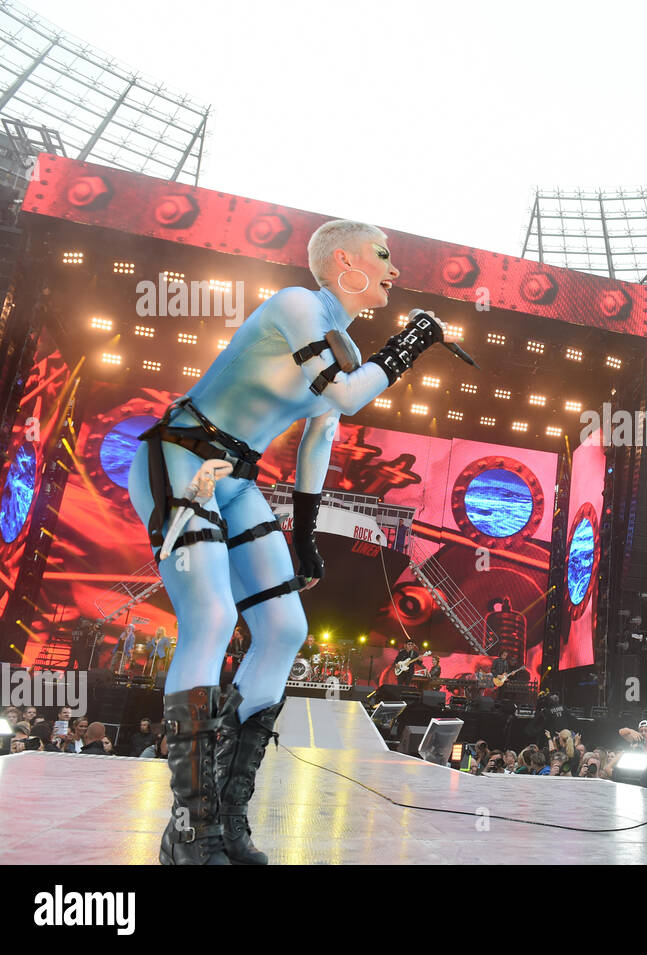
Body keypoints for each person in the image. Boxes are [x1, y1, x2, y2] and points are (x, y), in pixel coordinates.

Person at [126, 219, 446, 865]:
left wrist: (305, 536)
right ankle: (190, 832)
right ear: (343, 261)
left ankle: (225, 818)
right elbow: (347, 398)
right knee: (212, 616)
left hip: (235, 474)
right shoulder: (300, 306)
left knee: (283, 628)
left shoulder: (346, 348)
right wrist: (409, 345)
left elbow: (319, 440)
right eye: (383, 256)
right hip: (183, 454)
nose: (394, 270)